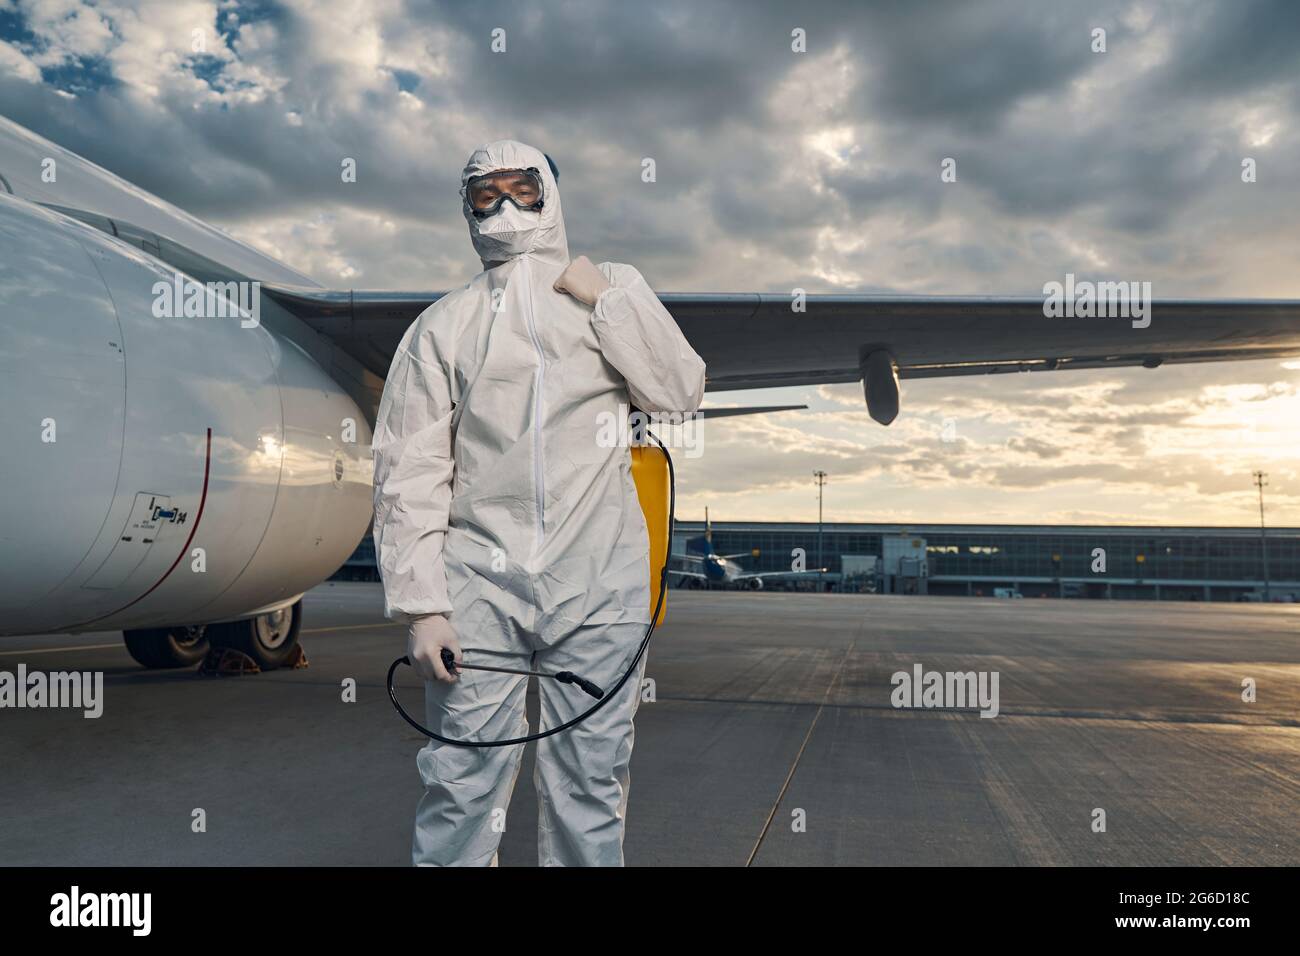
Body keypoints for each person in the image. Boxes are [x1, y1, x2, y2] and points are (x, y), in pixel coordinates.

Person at [371, 140, 706, 866]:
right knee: (461, 782)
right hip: (478, 590)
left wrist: (607, 300)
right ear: (466, 208)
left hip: (598, 586)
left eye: (522, 187)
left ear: (552, 194)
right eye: (485, 193)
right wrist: (423, 606)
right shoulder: (441, 326)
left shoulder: (612, 289)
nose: (505, 206)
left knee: (590, 783)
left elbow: (678, 392)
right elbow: (409, 470)